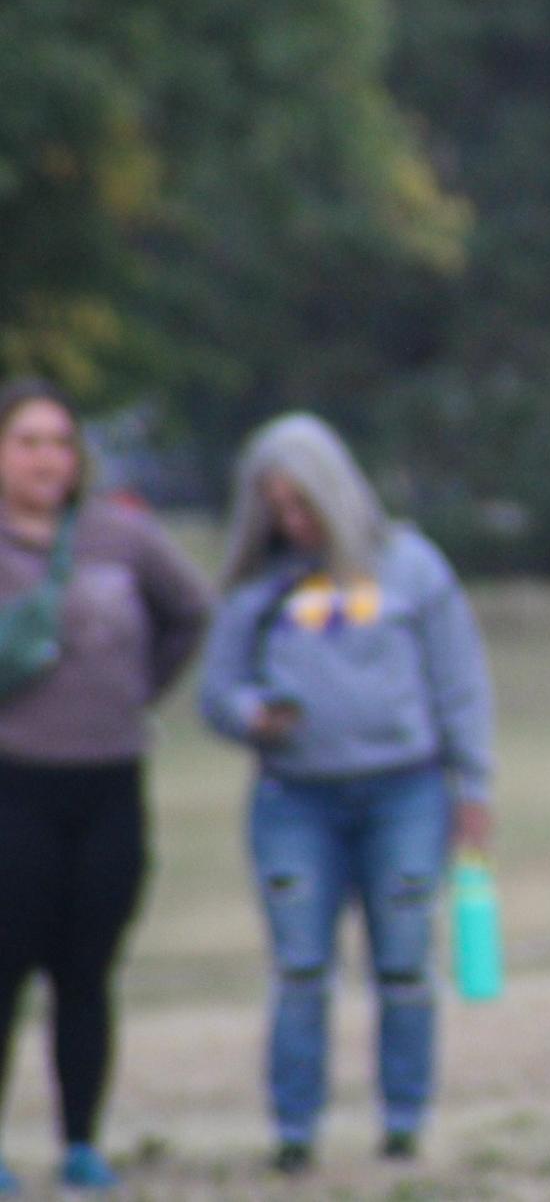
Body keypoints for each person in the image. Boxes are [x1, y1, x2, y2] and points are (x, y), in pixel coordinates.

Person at [197, 414, 494, 1174]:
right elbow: (215, 690)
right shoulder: (258, 583)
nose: (293, 523)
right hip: (293, 802)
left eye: (303, 505)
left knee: (403, 964)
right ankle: (293, 1132)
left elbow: (458, 685)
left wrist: (474, 787)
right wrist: (250, 714)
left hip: (406, 796)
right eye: (276, 509)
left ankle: (402, 1121)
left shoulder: (412, 567)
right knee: (299, 968)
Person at [0, 379, 212, 1194]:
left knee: (86, 972)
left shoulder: (119, 537)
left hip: (109, 785)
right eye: (28, 441)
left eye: (60, 441)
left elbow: (192, 611)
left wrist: (134, 694)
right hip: (12, 788)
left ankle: (81, 1143)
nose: (48, 458)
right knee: (5, 969)